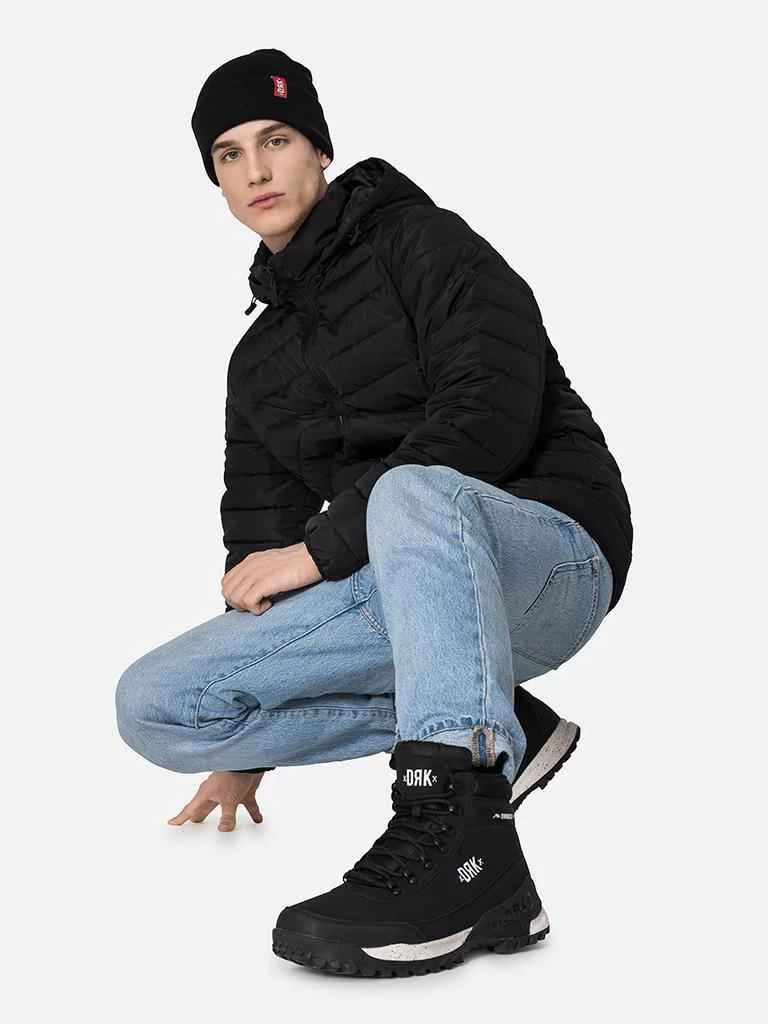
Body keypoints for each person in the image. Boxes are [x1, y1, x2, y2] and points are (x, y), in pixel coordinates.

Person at [115, 48, 633, 977]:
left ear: (319, 149)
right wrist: (254, 736)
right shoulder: (255, 366)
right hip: (406, 595)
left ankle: (459, 841)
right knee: (157, 705)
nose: (256, 169)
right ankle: (502, 725)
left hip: (548, 556)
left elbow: (488, 414)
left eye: (277, 141)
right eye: (229, 155)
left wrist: (319, 551)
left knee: (411, 488)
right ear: (216, 181)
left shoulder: (423, 242)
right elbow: (260, 557)